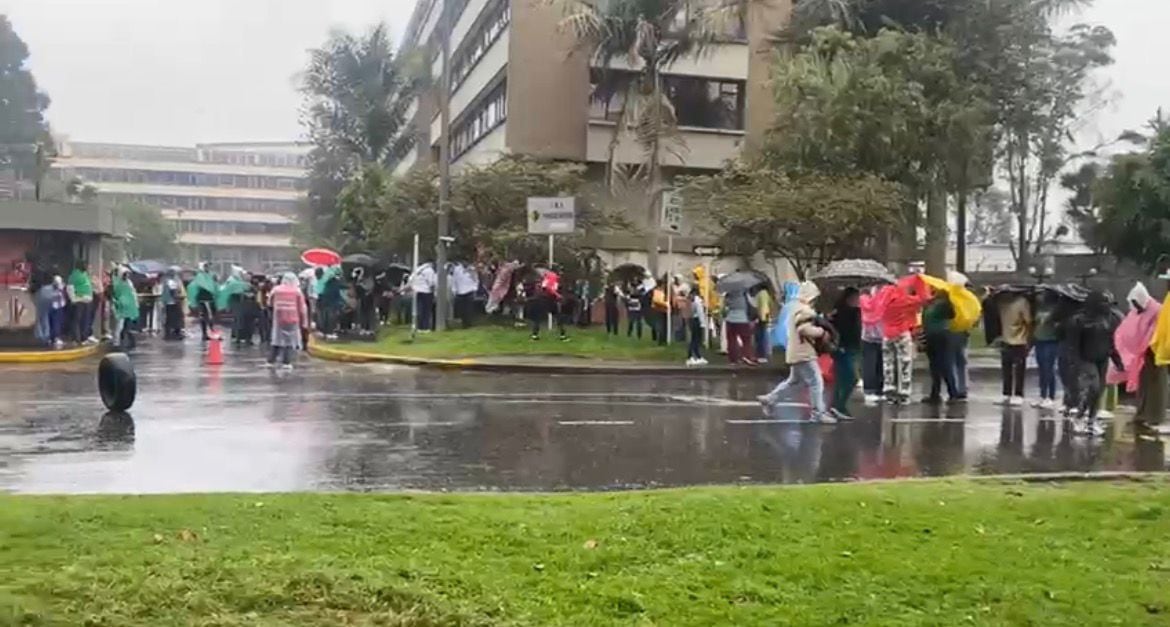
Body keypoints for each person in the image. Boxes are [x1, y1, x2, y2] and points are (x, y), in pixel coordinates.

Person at [758, 281, 832, 423]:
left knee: (794, 380)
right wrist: (821, 332)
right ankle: (817, 413)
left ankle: (771, 398)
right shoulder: (805, 311)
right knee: (816, 382)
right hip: (804, 353)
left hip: (795, 351)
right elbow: (804, 329)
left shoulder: (794, 308)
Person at [1066, 291, 1123, 436]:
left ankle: (1091, 419)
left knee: (1098, 392)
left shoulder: (1109, 320)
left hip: (1102, 360)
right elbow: (1073, 345)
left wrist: (1117, 361)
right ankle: (1080, 415)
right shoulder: (1078, 321)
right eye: (1103, 303)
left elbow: (1111, 343)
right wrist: (1075, 362)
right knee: (1093, 387)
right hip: (1085, 359)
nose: (1106, 307)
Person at [1109, 282, 1163, 429]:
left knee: (1154, 386)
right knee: (1142, 385)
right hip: (1140, 356)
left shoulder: (1157, 310)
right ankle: (1141, 413)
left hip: (1154, 354)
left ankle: (1153, 416)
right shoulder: (1137, 312)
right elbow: (1126, 329)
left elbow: (1155, 332)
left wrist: (1142, 348)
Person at [879, 275, 932, 404]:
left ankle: (889, 389)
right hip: (901, 333)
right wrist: (920, 285)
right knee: (904, 362)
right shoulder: (903, 299)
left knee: (888, 363)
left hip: (886, 334)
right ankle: (904, 391)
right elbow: (925, 299)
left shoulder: (882, 300)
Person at [921, 289, 959, 404]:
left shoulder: (944, 304)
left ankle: (952, 393)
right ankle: (936, 393)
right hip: (932, 336)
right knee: (935, 366)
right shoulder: (930, 305)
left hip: (940, 336)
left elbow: (951, 314)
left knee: (943, 365)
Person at [829, 287, 862, 416]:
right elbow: (838, 330)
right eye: (855, 298)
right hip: (842, 348)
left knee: (842, 378)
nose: (857, 300)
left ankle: (836, 405)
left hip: (851, 348)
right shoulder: (841, 313)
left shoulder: (855, 312)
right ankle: (839, 405)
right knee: (850, 378)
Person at [266, 272, 309, 370]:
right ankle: (286, 362)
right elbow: (302, 308)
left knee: (277, 339)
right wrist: (304, 322)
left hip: (278, 318)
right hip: (293, 318)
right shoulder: (297, 291)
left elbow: (269, 303)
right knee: (289, 340)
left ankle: (271, 360)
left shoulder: (276, 290)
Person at [997, 293, 1032, 406]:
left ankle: (1016, 393)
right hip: (1012, 339)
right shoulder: (1018, 301)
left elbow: (1028, 320)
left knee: (1014, 369)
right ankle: (1010, 393)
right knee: (1012, 368)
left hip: (1016, 339)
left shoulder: (1003, 301)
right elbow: (1028, 320)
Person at [1032, 290, 1062, 409]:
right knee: (1041, 369)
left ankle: (1051, 396)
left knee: (1048, 368)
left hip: (1051, 341)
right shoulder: (1040, 308)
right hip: (1039, 340)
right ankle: (1042, 394)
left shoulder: (1056, 310)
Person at [859, 287, 885, 404]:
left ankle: (870, 390)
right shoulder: (882, 302)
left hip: (867, 336)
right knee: (878, 364)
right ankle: (877, 390)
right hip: (881, 336)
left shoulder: (862, 301)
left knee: (870, 364)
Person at [66, 260, 96, 344]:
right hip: (79, 301)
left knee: (85, 320)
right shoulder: (74, 275)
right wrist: (73, 299)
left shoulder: (85, 274)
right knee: (77, 320)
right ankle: (76, 339)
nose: (88, 267)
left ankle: (84, 338)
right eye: (86, 265)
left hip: (87, 301)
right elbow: (70, 288)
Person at [187, 262, 219, 341]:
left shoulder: (210, 275)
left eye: (208, 267)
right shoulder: (200, 276)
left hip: (210, 299)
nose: (207, 268)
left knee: (210, 317)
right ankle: (207, 334)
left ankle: (208, 334)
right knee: (206, 317)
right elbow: (198, 286)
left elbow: (214, 286)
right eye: (206, 267)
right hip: (203, 299)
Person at [724, 289, 755, 365]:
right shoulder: (745, 293)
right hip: (743, 319)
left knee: (732, 341)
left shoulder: (729, 294)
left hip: (730, 319)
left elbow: (726, 305)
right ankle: (746, 356)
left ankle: (733, 359)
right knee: (746, 340)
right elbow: (752, 304)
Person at [111, 266, 140, 349]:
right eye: (125, 274)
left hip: (129, 307)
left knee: (128, 326)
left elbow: (133, 294)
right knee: (119, 326)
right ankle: (116, 343)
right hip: (121, 307)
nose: (127, 276)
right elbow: (114, 295)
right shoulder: (116, 283)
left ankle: (128, 342)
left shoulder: (129, 283)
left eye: (127, 274)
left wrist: (136, 304)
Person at [410, 262, 437, 331]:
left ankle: (419, 327)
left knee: (420, 310)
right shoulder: (429, 270)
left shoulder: (418, 269)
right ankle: (425, 327)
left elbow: (411, 279)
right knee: (426, 311)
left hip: (418, 292)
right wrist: (433, 293)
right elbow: (431, 283)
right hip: (426, 292)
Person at [161, 267, 186, 340]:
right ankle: (174, 333)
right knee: (175, 318)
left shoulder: (166, 281)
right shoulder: (171, 281)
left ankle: (168, 334)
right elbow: (173, 291)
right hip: (172, 302)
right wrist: (178, 298)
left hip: (168, 302)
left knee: (169, 318)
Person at [686, 287, 708, 366]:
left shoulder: (691, 300)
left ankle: (695, 356)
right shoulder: (697, 301)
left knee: (693, 339)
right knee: (696, 339)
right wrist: (703, 323)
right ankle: (693, 356)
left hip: (692, 320)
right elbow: (700, 312)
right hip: (697, 320)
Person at [754, 287, 774, 363]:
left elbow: (756, 306)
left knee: (760, 337)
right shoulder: (767, 294)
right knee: (765, 335)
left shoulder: (759, 294)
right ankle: (767, 352)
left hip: (760, 318)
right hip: (766, 317)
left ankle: (761, 355)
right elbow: (771, 305)